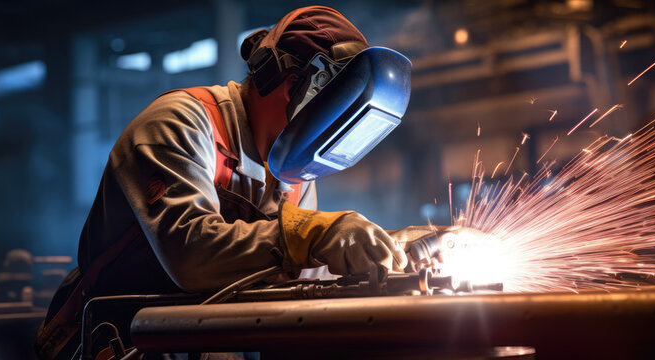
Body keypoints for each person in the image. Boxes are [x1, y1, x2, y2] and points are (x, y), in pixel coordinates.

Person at [35, 6, 413, 359]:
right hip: (117, 337)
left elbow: (295, 271)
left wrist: (388, 249)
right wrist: (312, 236)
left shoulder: (293, 171)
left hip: (208, 337)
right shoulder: (179, 124)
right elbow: (190, 255)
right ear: (297, 86)